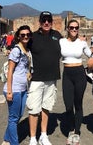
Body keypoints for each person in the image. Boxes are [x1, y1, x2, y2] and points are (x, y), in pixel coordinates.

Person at [26, 11, 62, 145]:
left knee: (46, 107)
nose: (46, 23)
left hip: (51, 78)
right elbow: (21, 48)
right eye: (43, 20)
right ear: (39, 23)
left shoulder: (57, 36)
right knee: (34, 109)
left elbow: (69, 44)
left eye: (49, 20)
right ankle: (33, 138)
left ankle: (43, 135)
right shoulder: (33, 37)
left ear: (52, 22)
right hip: (36, 79)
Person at [59, 19, 93, 145]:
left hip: (79, 74)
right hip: (67, 74)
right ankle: (71, 128)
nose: (74, 30)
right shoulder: (61, 42)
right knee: (68, 105)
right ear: (67, 28)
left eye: (76, 28)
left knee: (78, 104)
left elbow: (91, 55)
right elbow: (53, 55)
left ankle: (76, 132)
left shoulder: (82, 43)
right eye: (71, 27)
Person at [2, 25, 33, 145]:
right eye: (23, 35)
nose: (25, 37)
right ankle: (14, 143)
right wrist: (9, 91)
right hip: (13, 89)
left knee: (18, 115)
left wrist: (28, 73)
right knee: (13, 118)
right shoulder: (16, 50)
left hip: (23, 89)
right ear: (18, 37)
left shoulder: (27, 50)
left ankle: (6, 139)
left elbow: (24, 67)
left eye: (28, 35)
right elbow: (10, 71)